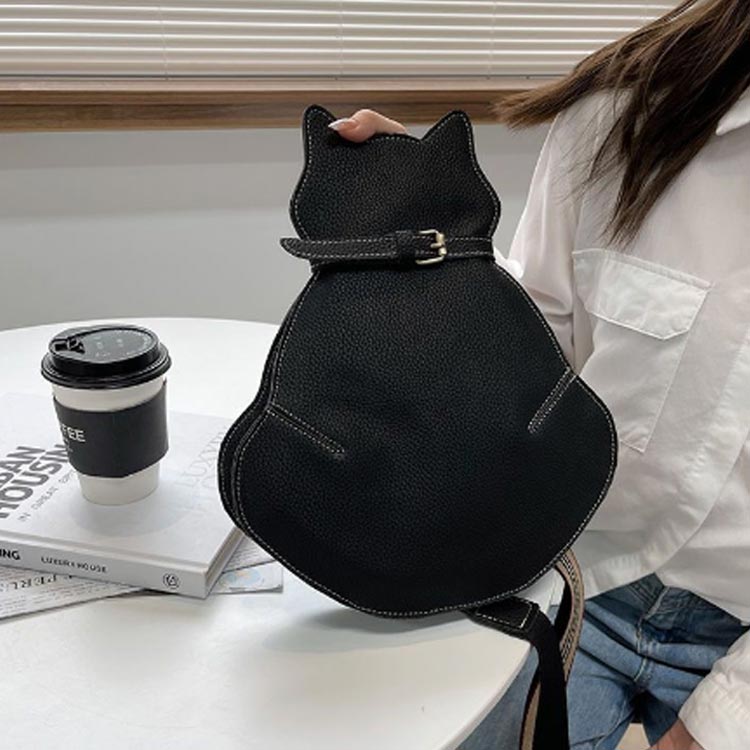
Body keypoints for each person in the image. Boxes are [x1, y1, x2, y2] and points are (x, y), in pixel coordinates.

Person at [328, 1, 750, 748]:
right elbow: (538, 346)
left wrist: (725, 717)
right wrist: (438, 253)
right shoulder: (623, 114)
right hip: (577, 572)